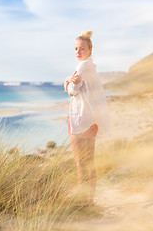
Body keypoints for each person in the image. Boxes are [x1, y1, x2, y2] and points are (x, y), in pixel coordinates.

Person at [64, 31, 109, 202]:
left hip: (80, 121)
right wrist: (69, 79)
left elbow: (72, 91)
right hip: (91, 121)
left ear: (90, 50)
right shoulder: (91, 67)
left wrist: (67, 80)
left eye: (82, 48)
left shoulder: (82, 67)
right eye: (76, 48)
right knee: (89, 162)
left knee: (80, 164)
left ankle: (83, 201)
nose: (78, 51)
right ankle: (90, 199)